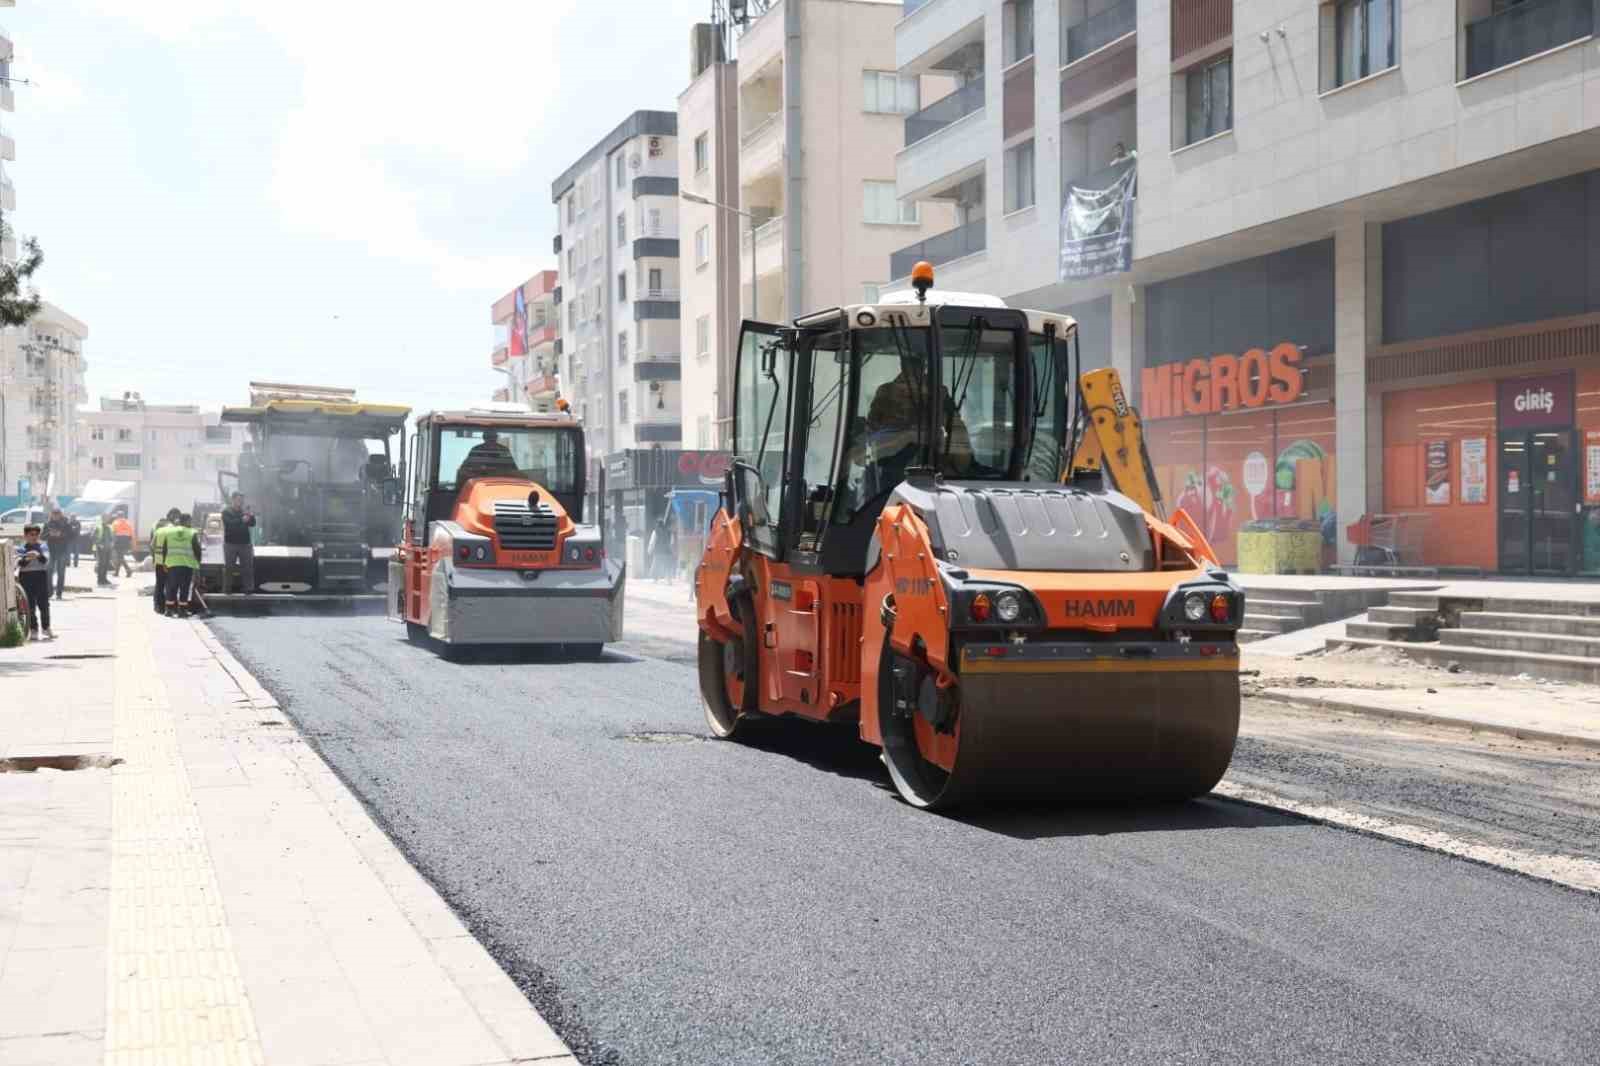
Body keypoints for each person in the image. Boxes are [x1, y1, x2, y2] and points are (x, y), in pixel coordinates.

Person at [863, 354, 973, 489]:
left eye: (916, 365)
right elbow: (871, 430)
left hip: (929, 460)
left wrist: (960, 463)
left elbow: (955, 428)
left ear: (923, 366)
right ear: (902, 366)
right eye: (909, 366)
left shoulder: (938, 392)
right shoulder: (886, 392)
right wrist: (898, 438)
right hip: (890, 462)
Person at [158, 512, 201, 618]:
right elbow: (197, 549)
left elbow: (165, 548)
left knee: (171, 587)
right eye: (190, 521)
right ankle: (182, 611)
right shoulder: (192, 532)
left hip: (172, 564)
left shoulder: (169, 532)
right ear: (187, 521)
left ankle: (169, 610)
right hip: (187, 564)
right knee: (184, 588)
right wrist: (198, 563)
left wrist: (164, 563)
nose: (191, 523)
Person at [15, 523, 53, 640]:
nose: (34, 537)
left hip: (40, 576)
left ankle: (46, 627)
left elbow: (45, 560)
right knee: (29, 605)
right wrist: (28, 557)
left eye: (37, 534)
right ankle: (33, 629)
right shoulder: (21, 548)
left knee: (44, 603)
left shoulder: (43, 546)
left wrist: (36, 555)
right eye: (31, 534)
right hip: (26, 577)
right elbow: (19, 563)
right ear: (25, 535)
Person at [221, 492, 256, 595]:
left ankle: (248, 589)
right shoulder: (226, 512)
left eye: (241, 500)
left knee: (247, 567)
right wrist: (242, 520)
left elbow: (252, 523)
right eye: (238, 500)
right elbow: (229, 524)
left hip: (245, 544)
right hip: (230, 544)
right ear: (233, 500)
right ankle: (227, 589)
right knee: (229, 567)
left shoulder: (245, 511)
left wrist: (251, 516)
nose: (240, 502)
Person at [150, 509, 178, 615]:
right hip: (170, 561)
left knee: (160, 584)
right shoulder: (173, 530)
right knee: (170, 584)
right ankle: (169, 607)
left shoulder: (157, 527)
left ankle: (158, 606)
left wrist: (154, 558)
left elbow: (152, 545)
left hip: (159, 560)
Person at [44, 507, 73, 600]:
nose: (55, 515)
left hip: (62, 551)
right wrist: (50, 534)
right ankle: (49, 592)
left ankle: (59, 593)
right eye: (54, 513)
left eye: (57, 513)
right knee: (48, 572)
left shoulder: (66, 523)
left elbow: (72, 536)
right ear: (51, 514)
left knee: (61, 573)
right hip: (52, 551)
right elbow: (42, 536)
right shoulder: (48, 524)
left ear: (60, 514)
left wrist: (61, 535)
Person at [92, 513, 115, 587]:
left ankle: (104, 579)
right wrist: (99, 544)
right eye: (105, 518)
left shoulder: (109, 527)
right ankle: (100, 580)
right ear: (102, 518)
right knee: (101, 564)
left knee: (106, 564)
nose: (106, 519)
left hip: (108, 548)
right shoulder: (98, 527)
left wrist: (112, 542)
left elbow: (112, 537)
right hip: (101, 549)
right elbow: (93, 537)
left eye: (107, 518)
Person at [111, 510, 135, 577]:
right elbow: (131, 534)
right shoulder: (128, 523)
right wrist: (131, 543)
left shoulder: (115, 522)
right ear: (123, 516)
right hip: (126, 541)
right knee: (120, 557)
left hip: (118, 541)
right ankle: (116, 572)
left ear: (118, 516)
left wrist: (112, 542)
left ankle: (128, 570)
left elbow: (113, 533)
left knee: (120, 557)